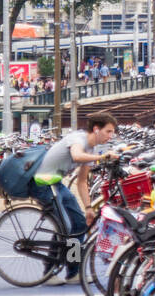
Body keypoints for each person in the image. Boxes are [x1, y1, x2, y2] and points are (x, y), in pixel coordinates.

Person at [30, 111, 119, 285]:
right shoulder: (79, 139)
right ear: (96, 129)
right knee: (65, 226)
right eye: (108, 131)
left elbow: (82, 181)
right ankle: (48, 271)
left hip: (55, 183)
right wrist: (102, 157)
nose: (111, 136)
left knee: (79, 225)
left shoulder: (92, 149)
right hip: (41, 183)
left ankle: (73, 272)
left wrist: (88, 208)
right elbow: (77, 156)